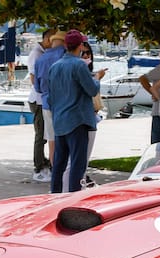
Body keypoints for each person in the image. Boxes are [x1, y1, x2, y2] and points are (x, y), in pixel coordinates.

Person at [47, 29, 106, 193]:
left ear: (66, 45)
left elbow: (51, 95)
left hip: (60, 120)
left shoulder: (55, 66)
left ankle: (55, 195)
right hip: (78, 120)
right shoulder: (79, 65)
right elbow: (92, 90)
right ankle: (74, 197)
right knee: (77, 165)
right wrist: (97, 78)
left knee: (59, 164)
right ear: (80, 45)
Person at [34, 30, 66, 182]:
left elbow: (38, 87)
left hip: (47, 103)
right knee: (67, 139)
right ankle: (66, 173)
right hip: (65, 103)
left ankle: (56, 174)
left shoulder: (41, 59)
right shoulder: (66, 56)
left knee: (52, 140)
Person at [26, 29, 54, 183]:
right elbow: (33, 78)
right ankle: (38, 166)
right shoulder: (37, 55)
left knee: (44, 134)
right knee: (41, 134)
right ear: (49, 39)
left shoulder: (42, 53)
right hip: (38, 100)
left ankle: (42, 161)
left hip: (41, 98)